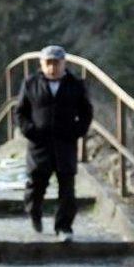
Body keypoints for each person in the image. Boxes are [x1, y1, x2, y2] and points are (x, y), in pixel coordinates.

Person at [14, 45, 93, 242]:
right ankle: (34, 213)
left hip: (65, 144)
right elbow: (20, 112)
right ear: (42, 64)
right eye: (48, 63)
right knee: (36, 184)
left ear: (63, 64)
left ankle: (64, 227)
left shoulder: (75, 84)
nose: (52, 67)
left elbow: (86, 112)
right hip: (39, 144)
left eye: (56, 63)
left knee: (67, 187)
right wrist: (30, 131)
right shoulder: (31, 83)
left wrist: (77, 131)